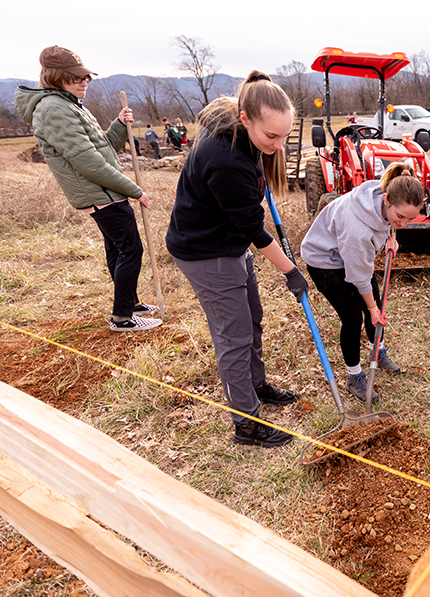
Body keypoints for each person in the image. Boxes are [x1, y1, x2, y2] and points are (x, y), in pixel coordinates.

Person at [166, 70, 307, 448]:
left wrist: (264, 157)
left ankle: (255, 384)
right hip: (205, 251)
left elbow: (247, 221)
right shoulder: (226, 161)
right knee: (234, 337)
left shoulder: (244, 135)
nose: (278, 144)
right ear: (245, 120)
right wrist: (291, 272)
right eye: (271, 136)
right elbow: (255, 231)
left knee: (253, 319)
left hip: (227, 242)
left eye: (285, 136)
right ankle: (245, 423)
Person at [14, 46, 161, 332]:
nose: (84, 83)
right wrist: (133, 189)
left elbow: (103, 149)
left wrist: (119, 125)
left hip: (103, 191)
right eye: (77, 78)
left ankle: (129, 303)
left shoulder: (68, 103)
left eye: (86, 78)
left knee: (118, 249)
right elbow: (89, 163)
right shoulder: (53, 108)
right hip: (99, 193)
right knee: (131, 249)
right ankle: (123, 317)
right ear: (57, 77)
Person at [301, 163, 423, 403]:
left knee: (375, 304)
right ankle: (354, 375)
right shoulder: (357, 228)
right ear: (387, 200)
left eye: (410, 219)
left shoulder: (385, 195)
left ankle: (377, 349)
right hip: (324, 260)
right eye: (400, 217)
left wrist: (390, 236)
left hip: (349, 255)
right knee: (354, 317)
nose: (403, 223)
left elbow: (388, 222)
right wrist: (371, 308)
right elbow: (358, 276)